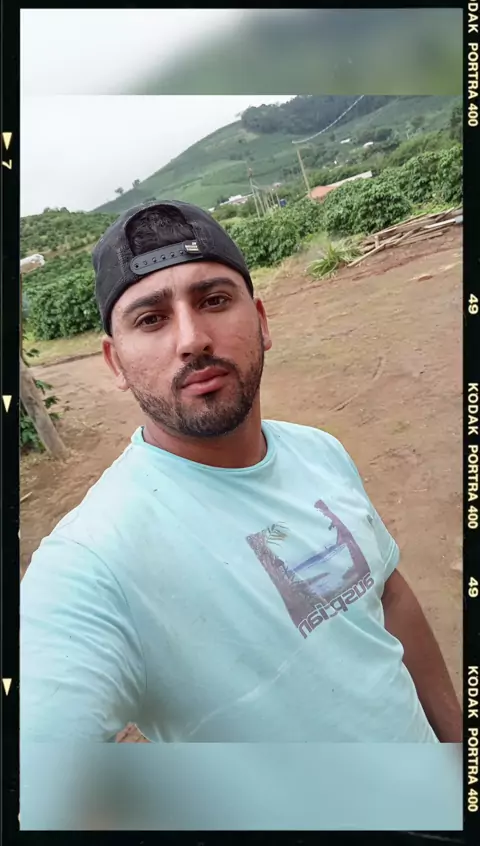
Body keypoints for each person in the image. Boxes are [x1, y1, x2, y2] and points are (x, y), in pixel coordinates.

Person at [21, 200, 462, 744]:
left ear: (261, 322)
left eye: (214, 300)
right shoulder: (94, 559)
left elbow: (389, 596)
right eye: (151, 319)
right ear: (115, 362)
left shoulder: (319, 451)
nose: (192, 339)